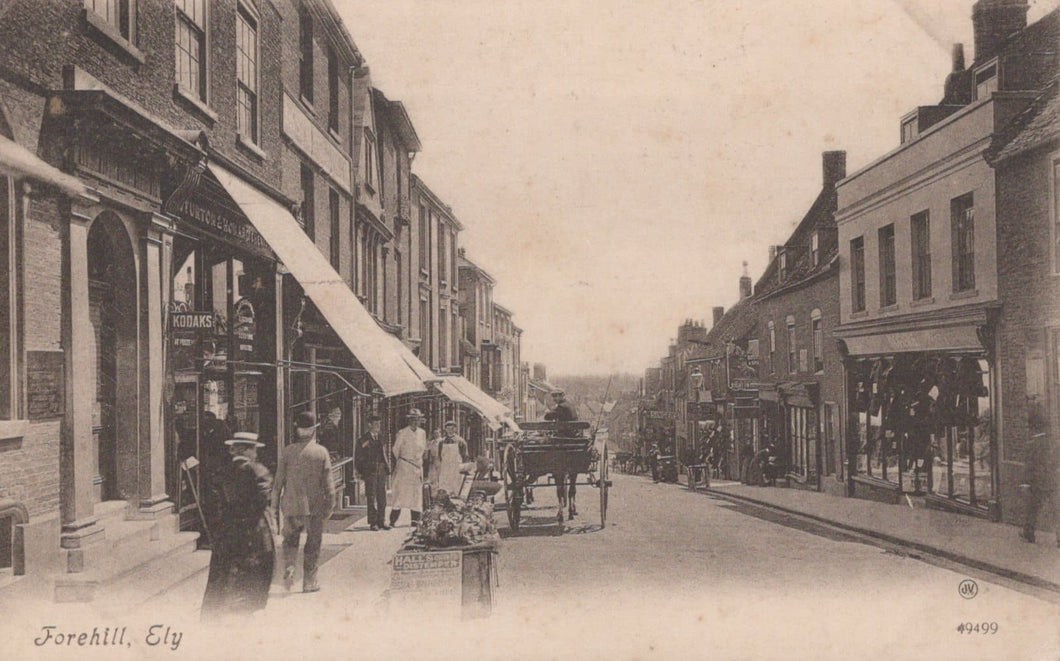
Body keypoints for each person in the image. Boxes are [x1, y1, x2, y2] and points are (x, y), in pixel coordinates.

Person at [201, 432, 274, 619]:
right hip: (253, 532)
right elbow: (262, 501)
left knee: (224, 573)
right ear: (248, 450)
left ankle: (217, 613)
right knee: (253, 572)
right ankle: (245, 611)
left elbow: (212, 503)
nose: (256, 454)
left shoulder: (222, 471)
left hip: (227, 531)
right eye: (254, 449)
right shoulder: (258, 471)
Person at [272, 412, 334, 593]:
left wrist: (274, 509)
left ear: (298, 430)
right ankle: (309, 582)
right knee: (313, 544)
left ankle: (290, 568)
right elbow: (330, 488)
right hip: (314, 507)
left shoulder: (287, 451)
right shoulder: (321, 452)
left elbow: (277, 484)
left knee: (290, 541)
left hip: (290, 506)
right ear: (314, 431)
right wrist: (329, 508)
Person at [1019, 427, 1059, 546]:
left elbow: (1028, 466)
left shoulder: (1031, 445)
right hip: (1053, 482)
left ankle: (1029, 534)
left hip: (1037, 483)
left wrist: (1025, 482)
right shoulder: (1054, 444)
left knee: (1033, 509)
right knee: (1056, 510)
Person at [389, 409, 427, 527]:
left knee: (416, 494)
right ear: (409, 420)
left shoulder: (422, 433)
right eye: (413, 419)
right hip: (404, 467)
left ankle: (415, 520)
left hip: (417, 467)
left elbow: (423, 449)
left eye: (417, 419)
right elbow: (395, 450)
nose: (415, 422)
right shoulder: (402, 433)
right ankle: (393, 520)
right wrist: (403, 461)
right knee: (400, 493)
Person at [355, 414, 390, 531]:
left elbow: (384, 453)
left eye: (379, 424)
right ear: (369, 425)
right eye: (376, 424)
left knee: (382, 497)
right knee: (371, 497)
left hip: (381, 470)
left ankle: (382, 521)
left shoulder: (381, 437)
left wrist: (386, 467)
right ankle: (373, 522)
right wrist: (362, 472)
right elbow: (359, 457)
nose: (378, 426)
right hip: (370, 472)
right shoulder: (363, 440)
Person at [427, 420, 470, 497]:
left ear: (455, 429)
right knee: (444, 488)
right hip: (445, 468)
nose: (450, 431)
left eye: (452, 428)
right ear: (445, 430)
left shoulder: (460, 441)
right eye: (448, 428)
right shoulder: (442, 442)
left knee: (456, 488)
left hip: (456, 468)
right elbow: (440, 456)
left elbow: (465, 456)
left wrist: (464, 469)